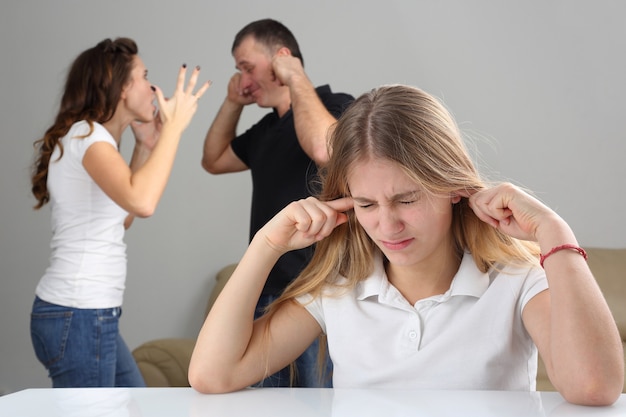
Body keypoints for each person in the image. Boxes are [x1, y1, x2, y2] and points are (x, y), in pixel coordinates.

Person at [189, 85, 624, 406]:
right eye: (366, 204)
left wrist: (554, 232)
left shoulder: (516, 280)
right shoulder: (336, 289)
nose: (387, 224)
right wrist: (266, 243)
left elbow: (594, 386)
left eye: (407, 199)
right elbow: (213, 374)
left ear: (452, 185)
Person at [30, 37, 210, 388]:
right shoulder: (88, 137)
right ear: (122, 87)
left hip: (82, 313)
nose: (152, 86)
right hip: (79, 312)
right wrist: (173, 128)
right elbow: (143, 202)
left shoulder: (91, 139)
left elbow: (124, 215)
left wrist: (145, 145)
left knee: (134, 402)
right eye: (144, 76)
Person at [200, 18, 354, 387]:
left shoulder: (338, 106)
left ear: (283, 57)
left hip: (317, 293)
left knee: (320, 407)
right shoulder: (266, 130)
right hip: (265, 292)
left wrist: (294, 75)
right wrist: (232, 101)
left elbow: (324, 149)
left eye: (248, 68)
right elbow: (214, 159)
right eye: (239, 72)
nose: (244, 81)